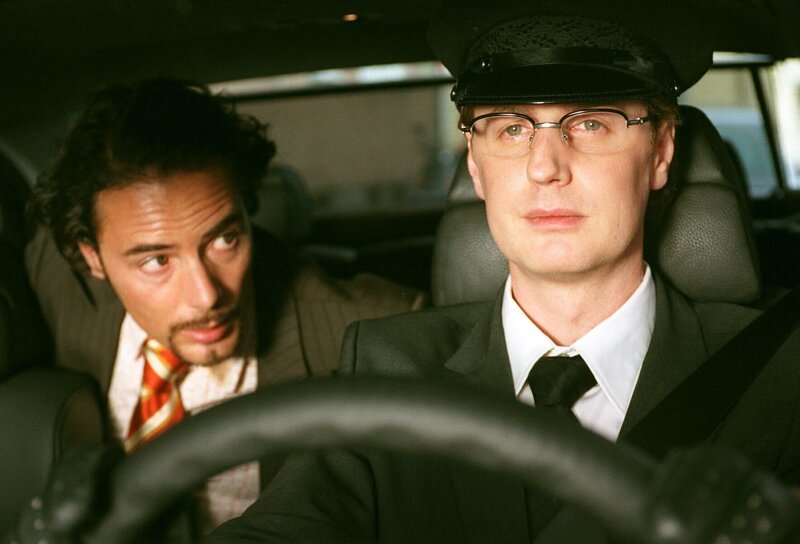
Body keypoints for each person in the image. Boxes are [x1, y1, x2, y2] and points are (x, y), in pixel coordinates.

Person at [204, 2, 799, 543]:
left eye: (591, 122)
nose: (545, 166)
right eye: (512, 128)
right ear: (476, 165)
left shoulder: (781, 375)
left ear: (661, 152)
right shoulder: (387, 369)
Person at [24, 78, 426, 535]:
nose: (207, 295)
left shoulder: (371, 332)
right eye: (156, 261)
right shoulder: (58, 278)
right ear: (92, 258)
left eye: (224, 239)